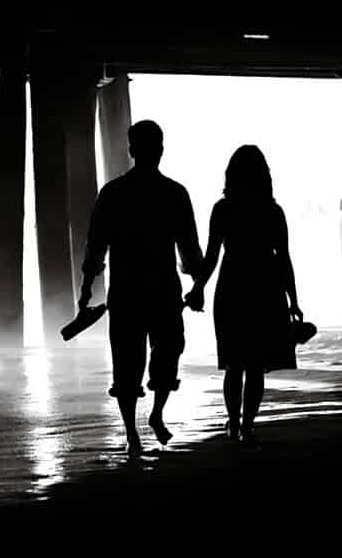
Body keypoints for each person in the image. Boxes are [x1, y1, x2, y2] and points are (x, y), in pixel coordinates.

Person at [78, 120, 202, 453]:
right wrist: (198, 284)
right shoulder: (174, 193)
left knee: (127, 362)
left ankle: (133, 431)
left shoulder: (113, 193)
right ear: (158, 150)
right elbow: (189, 249)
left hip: (126, 292)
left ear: (132, 150)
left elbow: (95, 247)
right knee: (168, 353)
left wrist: (86, 288)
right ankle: (154, 416)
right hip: (162, 291)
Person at [185, 145, 303, 446]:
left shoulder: (223, 209)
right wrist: (294, 301)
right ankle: (248, 425)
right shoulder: (273, 211)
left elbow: (211, 257)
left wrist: (198, 287)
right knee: (256, 364)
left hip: (232, 288)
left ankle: (234, 423)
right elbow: (284, 258)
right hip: (266, 288)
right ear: (265, 176)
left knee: (234, 363)